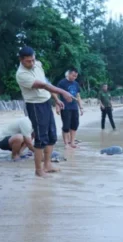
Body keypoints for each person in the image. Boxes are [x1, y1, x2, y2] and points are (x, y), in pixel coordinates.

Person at [15, 46, 73, 178]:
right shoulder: (22, 74)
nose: (32, 63)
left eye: (33, 60)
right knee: (41, 138)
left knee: (52, 135)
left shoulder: (38, 65)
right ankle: (38, 170)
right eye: (28, 61)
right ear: (21, 60)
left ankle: (47, 165)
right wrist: (63, 92)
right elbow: (44, 86)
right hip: (35, 106)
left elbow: (46, 82)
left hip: (46, 102)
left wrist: (56, 99)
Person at [56, 68, 83, 148]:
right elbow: (57, 94)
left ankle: (72, 142)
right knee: (66, 125)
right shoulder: (62, 83)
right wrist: (57, 106)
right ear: (69, 74)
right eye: (73, 75)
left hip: (74, 107)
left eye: (76, 76)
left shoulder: (76, 84)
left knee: (75, 125)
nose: (74, 77)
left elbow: (78, 96)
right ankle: (66, 143)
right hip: (65, 107)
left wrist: (81, 107)